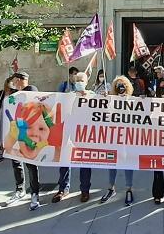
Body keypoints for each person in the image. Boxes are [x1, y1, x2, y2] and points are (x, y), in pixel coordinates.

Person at [4, 71, 43, 210]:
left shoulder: (31, 90)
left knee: (30, 164)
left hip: (28, 133)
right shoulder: (14, 94)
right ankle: (20, 189)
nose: (13, 83)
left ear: (21, 80)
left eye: (15, 80)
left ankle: (35, 193)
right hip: (16, 131)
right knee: (16, 161)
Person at [54, 72, 93, 203]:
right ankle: (63, 188)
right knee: (65, 159)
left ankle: (85, 190)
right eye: (77, 80)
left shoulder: (92, 96)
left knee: (85, 161)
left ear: (87, 82)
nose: (79, 82)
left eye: (82, 80)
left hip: (85, 133)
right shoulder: (69, 96)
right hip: (69, 130)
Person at [101, 76, 136, 205]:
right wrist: (106, 99)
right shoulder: (111, 100)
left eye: (123, 85)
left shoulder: (132, 100)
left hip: (127, 137)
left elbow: (137, 116)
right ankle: (111, 188)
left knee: (127, 162)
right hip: (114, 136)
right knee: (112, 161)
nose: (120, 87)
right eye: (118, 85)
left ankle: (129, 188)